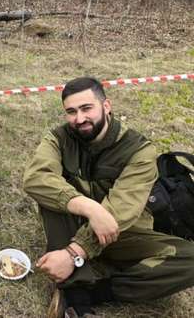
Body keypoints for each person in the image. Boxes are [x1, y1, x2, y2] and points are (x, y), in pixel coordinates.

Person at [23, 77, 194, 318]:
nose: (79, 118)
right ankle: (77, 294)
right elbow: (35, 178)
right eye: (71, 112)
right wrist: (88, 207)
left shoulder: (139, 150)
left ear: (106, 106)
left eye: (86, 108)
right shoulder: (58, 138)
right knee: (51, 199)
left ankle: (96, 290)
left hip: (122, 232)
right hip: (73, 222)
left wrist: (75, 252)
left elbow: (122, 210)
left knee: (190, 261)